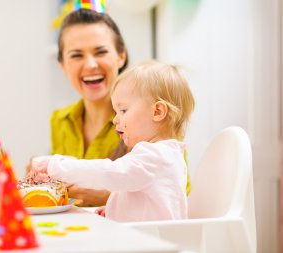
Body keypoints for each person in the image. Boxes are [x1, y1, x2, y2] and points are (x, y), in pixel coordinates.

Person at [28, 60, 195, 222]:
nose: (116, 119)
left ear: (158, 111)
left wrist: (55, 165)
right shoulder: (159, 156)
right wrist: (115, 209)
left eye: (123, 110)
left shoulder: (157, 156)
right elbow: (143, 197)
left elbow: (109, 173)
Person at [27, 8, 129, 207]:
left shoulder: (149, 118)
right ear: (62, 65)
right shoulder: (60, 120)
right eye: (76, 55)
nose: (90, 65)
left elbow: (174, 195)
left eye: (100, 52)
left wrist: (107, 197)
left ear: (121, 56)